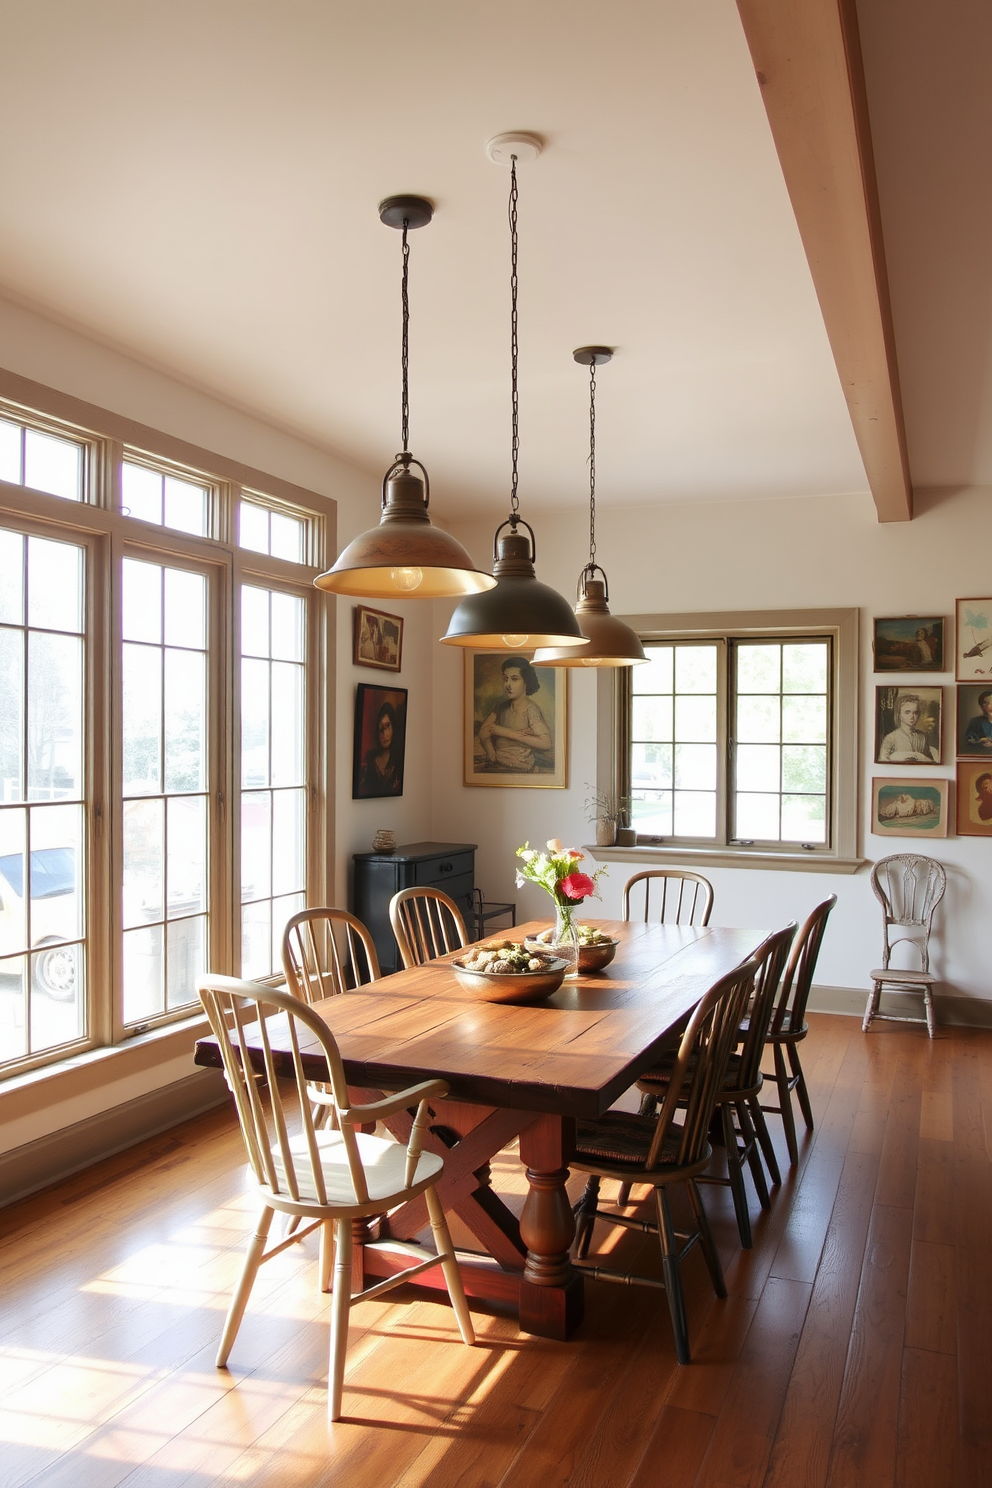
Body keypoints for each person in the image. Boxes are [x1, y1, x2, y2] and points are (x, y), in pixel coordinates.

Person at [477, 656, 553, 773]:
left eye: (514, 679)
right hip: (499, 765)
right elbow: (483, 733)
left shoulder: (530, 709)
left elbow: (546, 743)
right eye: (505, 679)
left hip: (522, 766)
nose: (508, 684)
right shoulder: (500, 708)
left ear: (526, 682)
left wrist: (508, 733)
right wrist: (492, 756)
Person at [879, 694, 937, 763]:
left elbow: (931, 763)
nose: (912, 716)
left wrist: (921, 757)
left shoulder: (923, 737)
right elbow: (883, 762)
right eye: (907, 712)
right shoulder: (891, 738)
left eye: (915, 713)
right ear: (899, 715)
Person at [360, 700, 402, 794]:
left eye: (388, 726)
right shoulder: (370, 759)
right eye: (381, 729)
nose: (385, 734)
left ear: (394, 727)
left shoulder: (399, 760)